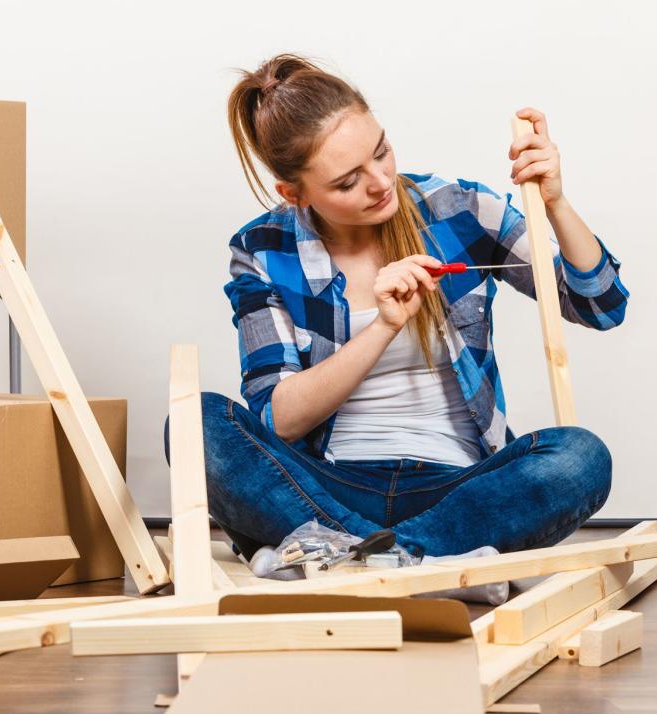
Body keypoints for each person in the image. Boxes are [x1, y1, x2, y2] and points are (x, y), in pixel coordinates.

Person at [164, 53, 628, 594]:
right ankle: (426, 567)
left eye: (381, 151)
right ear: (293, 193)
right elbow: (279, 420)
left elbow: (600, 305)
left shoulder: (457, 208)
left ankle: (342, 563)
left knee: (580, 456)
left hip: (457, 489)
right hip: (329, 485)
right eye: (346, 182)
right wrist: (382, 327)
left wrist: (555, 203)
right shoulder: (261, 250)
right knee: (196, 423)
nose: (381, 182)